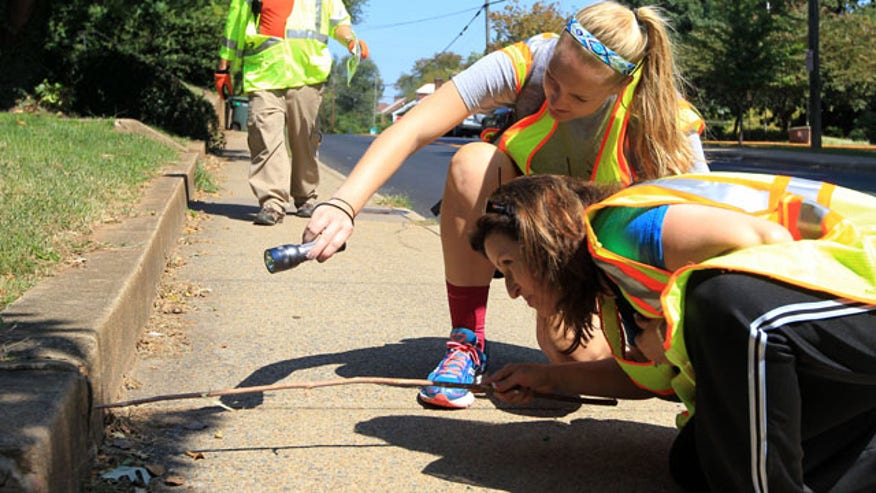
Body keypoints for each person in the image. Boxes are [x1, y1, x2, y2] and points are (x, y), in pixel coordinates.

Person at [303, 1, 707, 409]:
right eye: (553, 79)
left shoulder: (660, 116)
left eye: (579, 96)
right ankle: (466, 340)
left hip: (588, 250)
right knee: (471, 164)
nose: (556, 99)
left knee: (575, 357)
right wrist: (344, 204)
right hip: (518, 220)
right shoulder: (528, 61)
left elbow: (706, 229)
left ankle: (573, 324)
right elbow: (414, 128)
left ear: (618, 88)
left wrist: (667, 326)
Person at [470, 173, 876, 492]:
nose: (511, 289)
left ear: (546, 241)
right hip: (833, 340)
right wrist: (545, 377)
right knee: (697, 461)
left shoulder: (621, 230)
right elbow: (647, 375)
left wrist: (672, 332)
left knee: (720, 302)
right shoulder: (614, 288)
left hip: (860, 294)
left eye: (509, 264)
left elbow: (770, 241)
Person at [216, 0, 369, 225]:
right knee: (264, 136)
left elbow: (338, 22)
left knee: (305, 139)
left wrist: (350, 40)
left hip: (307, 75)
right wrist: (223, 68)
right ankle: (272, 202)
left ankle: (306, 196)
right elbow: (234, 27)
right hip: (264, 73)